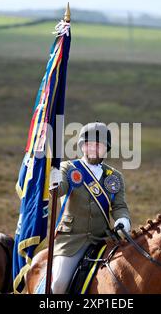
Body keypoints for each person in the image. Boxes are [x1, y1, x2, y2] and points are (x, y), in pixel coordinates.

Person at [49, 122, 131, 294]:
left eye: (97, 145)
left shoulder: (114, 177)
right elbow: (60, 190)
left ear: (106, 148)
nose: (92, 148)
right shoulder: (68, 168)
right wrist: (54, 181)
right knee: (58, 284)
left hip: (102, 239)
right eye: (88, 144)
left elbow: (119, 206)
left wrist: (123, 220)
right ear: (82, 146)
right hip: (72, 240)